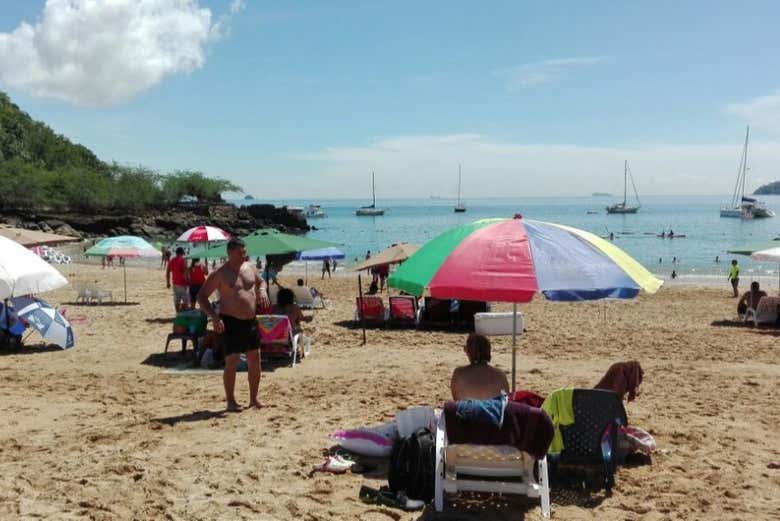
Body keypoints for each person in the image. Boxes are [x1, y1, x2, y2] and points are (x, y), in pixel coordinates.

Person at [197, 238, 269, 411]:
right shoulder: (219, 273)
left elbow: (261, 281)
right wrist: (214, 317)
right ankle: (231, 401)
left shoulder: (250, 267)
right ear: (229, 253)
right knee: (232, 362)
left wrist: (262, 290)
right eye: (240, 252)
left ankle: (253, 399)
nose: (244, 255)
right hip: (230, 321)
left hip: (250, 321)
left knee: (255, 359)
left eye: (245, 252)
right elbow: (201, 296)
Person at [450, 333, 509, 401]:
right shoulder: (500, 375)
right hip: (493, 411)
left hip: (467, 411)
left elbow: (456, 399)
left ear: (468, 350)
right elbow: (505, 401)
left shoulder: (459, 374)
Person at [166, 247, 190, 312]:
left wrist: (168, 282)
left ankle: (177, 313)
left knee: (177, 299)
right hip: (183, 283)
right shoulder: (183, 260)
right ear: (182, 253)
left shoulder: (172, 260)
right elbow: (185, 271)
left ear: (176, 253)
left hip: (175, 283)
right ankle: (184, 313)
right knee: (185, 300)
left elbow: (168, 271)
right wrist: (188, 281)